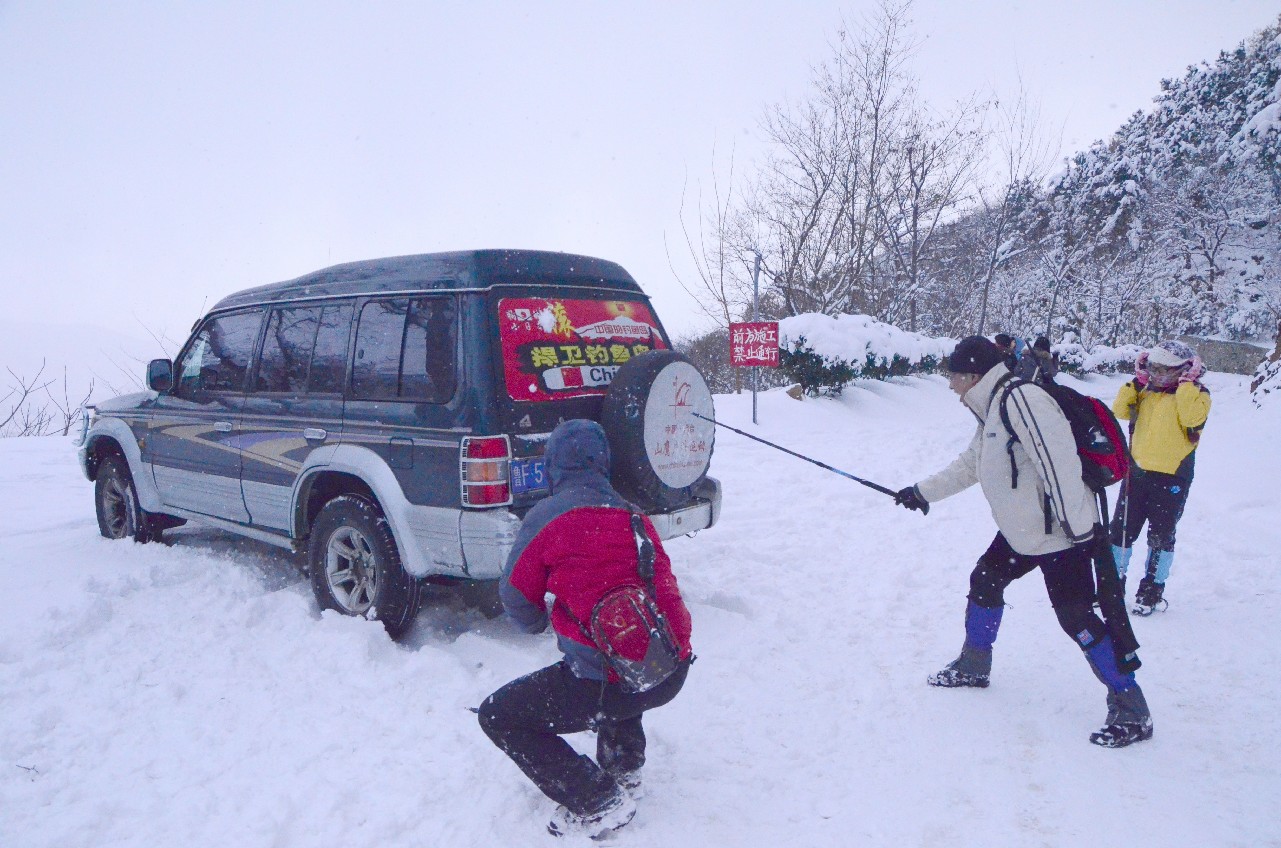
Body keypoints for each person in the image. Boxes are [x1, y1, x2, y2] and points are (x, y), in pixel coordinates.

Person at [894, 335, 1153, 747]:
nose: (950, 386)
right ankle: (974, 665)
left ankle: (1131, 707)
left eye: (954, 377)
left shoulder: (1021, 401)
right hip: (1024, 531)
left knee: (1077, 619)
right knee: (985, 581)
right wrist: (922, 492)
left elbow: (1060, 466)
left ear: (973, 374)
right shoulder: (993, 406)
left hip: (1059, 534)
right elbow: (970, 465)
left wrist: (1080, 535)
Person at [477, 419, 694, 838]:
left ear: (552, 466)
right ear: (604, 464)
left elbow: (516, 596)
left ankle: (599, 801)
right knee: (624, 649)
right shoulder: (634, 517)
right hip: (669, 669)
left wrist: (539, 622)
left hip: (605, 684)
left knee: (499, 715)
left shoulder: (547, 517)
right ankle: (624, 768)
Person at [1110, 340, 1212, 615]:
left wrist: (1186, 386)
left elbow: (1192, 418)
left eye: (1166, 370)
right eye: (1154, 369)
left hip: (1173, 478)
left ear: (1184, 370)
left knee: (1161, 536)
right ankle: (1111, 587)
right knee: (1120, 532)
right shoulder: (1145, 391)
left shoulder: (1198, 394)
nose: (1159, 375)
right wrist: (1136, 382)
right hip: (1137, 472)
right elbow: (1119, 410)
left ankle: (1151, 592)